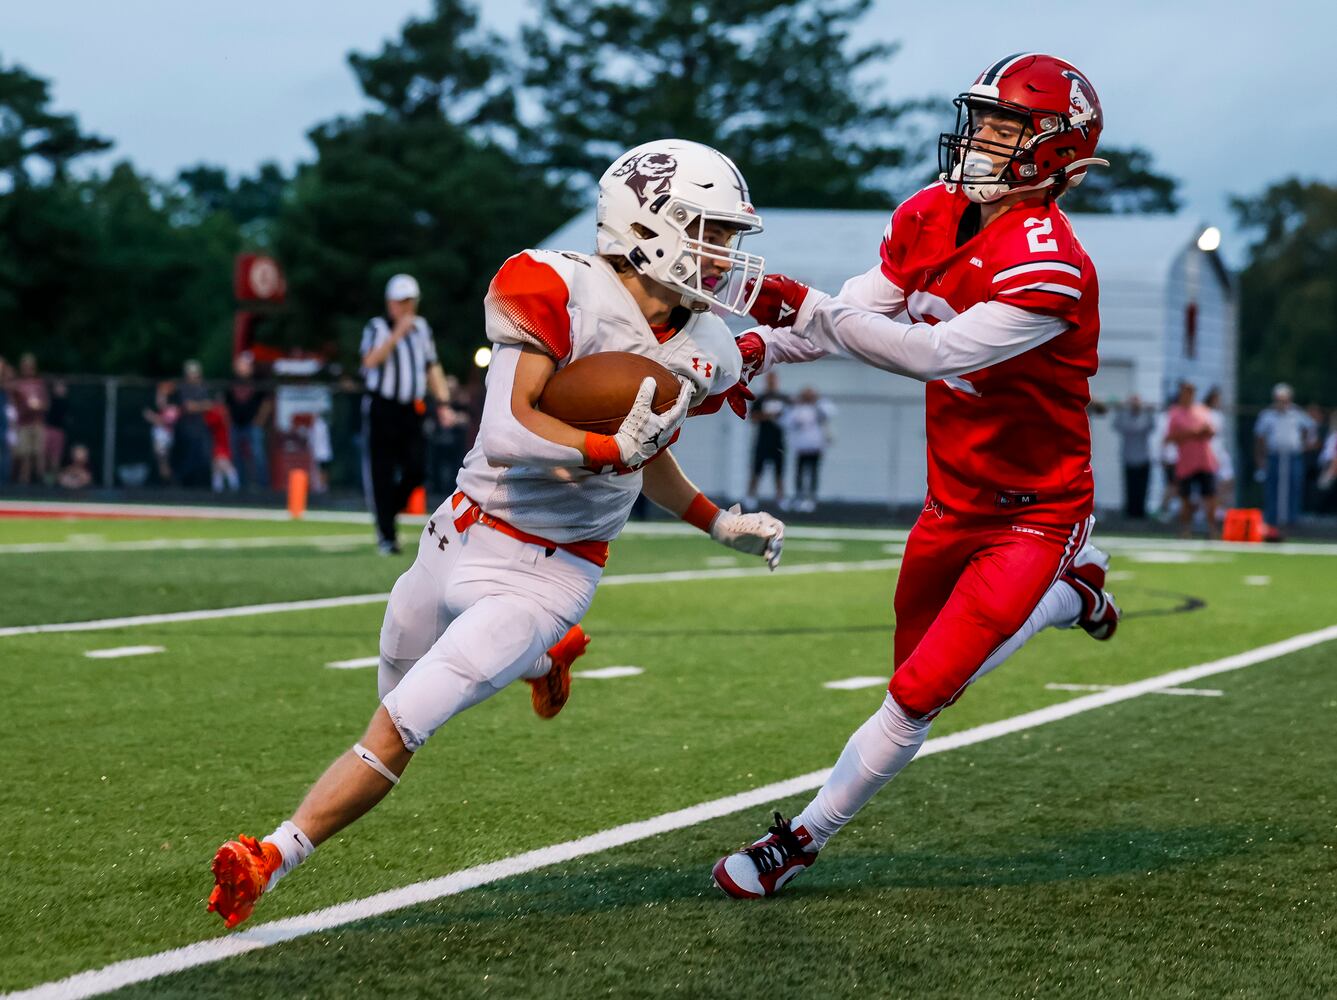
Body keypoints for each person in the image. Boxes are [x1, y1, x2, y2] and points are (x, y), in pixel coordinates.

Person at [206, 139, 785, 929]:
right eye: (708, 231)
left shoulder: (705, 348)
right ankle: (548, 659)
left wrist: (717, 521)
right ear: (650, 224)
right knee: (394, 680)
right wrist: (606, 448)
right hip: (460, 530)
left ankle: (271, 856)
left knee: (403, 721)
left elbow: (652, 457)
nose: (722, 254)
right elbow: (511, 432)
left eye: (726, 235)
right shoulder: (555, 287)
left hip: (551, 572)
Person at [711, 53, 1123, 898]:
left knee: (918, 692)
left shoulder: (1050, 264)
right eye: (982, 120)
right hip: (952, 499)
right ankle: (1069, 596)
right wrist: (752, 349)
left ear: (1054, 150)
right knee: (918, 670)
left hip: (1034, 510)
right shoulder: (933, 213)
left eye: (1005, 126)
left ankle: (797, 841)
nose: (979, 139)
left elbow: (931, 355)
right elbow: (852, 314)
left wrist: (804, 309)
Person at [360, 273, 453, 554]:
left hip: (410, 409)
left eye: (410, 302)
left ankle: (389, 508)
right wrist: (397, 334)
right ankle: (386, 535)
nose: (406, 308)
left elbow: (431, 365)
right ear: (390, 303)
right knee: (382, 472)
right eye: (401, 302)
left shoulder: (422, 329)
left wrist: (443, 403)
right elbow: (369, 361)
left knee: (417, 469)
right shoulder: (376, 327)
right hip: (382, 407)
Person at [1254, 382, 1317, 529]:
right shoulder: (1267, 415)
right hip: (1274, 456)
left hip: (1292, 456)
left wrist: (1304, 444)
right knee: (1272, 488)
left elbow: (1310, 428)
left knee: (1294, 487)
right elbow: (1259, 438)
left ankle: (1292, 521)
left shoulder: (1297, 414)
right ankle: (1272, 522)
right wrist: (1260, 458)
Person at [1164, 382, 1218, 538]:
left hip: (1204, 460)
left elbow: (1210, 431)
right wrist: (1194, 433)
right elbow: (1171, 437)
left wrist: (1196, 433)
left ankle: (1212, 529)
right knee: (1185, 498)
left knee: (1210, 497)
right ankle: (1186, 530)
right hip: (1186, 462)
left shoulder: (1202, 410)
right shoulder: (1175, 413)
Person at [224, 352, 272, 490]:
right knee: (236, 455)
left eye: (245, 364)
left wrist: (259, 421)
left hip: (252, 425)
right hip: (236, 424)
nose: (243, 367)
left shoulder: (258, 380)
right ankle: (241, 486)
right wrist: (229, 421)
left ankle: (264, 486)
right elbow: (225, 403)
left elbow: (267, 402)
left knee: (258, 455)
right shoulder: (231, 381)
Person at [785, 386, 835, 512]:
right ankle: (799, 497)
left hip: (815, 446)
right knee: (800, 473)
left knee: (813, 473)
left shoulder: (820, 406)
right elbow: (787, 422)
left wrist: (816, 402)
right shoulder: (798, 408)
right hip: (802, 446)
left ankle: (811, 498)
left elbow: (830, 412)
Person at [743, 372, 788, 509]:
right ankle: (751, 496)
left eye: (774, 380)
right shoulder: (760, 399)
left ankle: (781, 498)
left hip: (778, 440)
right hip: (762, 439)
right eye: (769, 380)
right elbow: (752, 417)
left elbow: (790, 416)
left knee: (779, 471)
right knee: (756, 470)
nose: (772, 382)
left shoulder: (783, 398)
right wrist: (768, 416)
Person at [170, 360, 213, 488]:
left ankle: (199, 485)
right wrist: (202, 406)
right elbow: (189, 407)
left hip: (201, 429)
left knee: (202, 459)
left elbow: (210, 405)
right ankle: (182, 485)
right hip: (186, 430)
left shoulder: (203, 388)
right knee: (186, 459)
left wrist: (198, 406)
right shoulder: (183, 389)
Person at [1112, 394, 1154, 519]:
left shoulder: (1144, 417)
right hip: (1129, 458)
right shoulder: (1125, 417)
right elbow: (1117, 425)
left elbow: (1151, 426)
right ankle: (1130, 513)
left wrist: (1148, 411)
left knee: (1142, 488)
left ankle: (1141, 513)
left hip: (1143, 458)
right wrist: (1120, 410)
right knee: (1130, 488)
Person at [12, 353, 48, 485]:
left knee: (39, 453)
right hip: (23, 423)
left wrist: (38, 405)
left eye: (30, 366)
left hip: (37, 423)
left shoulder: (39, 384)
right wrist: (26, 406)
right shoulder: (18, 385)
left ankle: (41, 481)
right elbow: (14, 406)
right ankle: (24, 481)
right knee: (25, 454)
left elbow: (45, 403)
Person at [1203, 386, 1235, 517]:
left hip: (1220, 451)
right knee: (1211, 484)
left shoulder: (1218, 414)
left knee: (1228, 480)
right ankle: (1209, 511)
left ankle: (1219, 507)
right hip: (1209, 452)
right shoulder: (1204, 413)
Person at [203, 401, 239, 493]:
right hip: (217, 443)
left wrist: (205, 409)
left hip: (222, 443)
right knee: (216, 466)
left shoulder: (220, 412)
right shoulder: (221, 411)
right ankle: (217, 490)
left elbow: (209, 421)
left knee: (223, 464)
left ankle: (235, 487)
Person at [43, 380, 69, 482]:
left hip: (59, 432)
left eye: (62, 387)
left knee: (55, 457)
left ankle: (53, 479)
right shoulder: (50, 400)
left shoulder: (66, 402)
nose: (60, 389)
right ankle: (43, 478)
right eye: (58, 387)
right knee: (44, 455)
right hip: (48, 430)